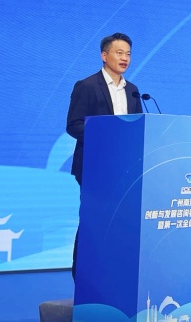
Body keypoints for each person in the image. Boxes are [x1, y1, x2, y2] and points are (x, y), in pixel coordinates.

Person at [65, 32, 143, 279]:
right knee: (93, 223)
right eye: (119, 53)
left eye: (128, 54)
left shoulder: (133, 91)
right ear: (104, 55)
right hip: (94, 169)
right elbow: (73, 125)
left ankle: (113, 277)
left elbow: (138, 128)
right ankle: (83, 279)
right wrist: (106, 137)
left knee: (119, 224)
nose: (125, 58)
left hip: (124, 171)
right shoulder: (87, 86)